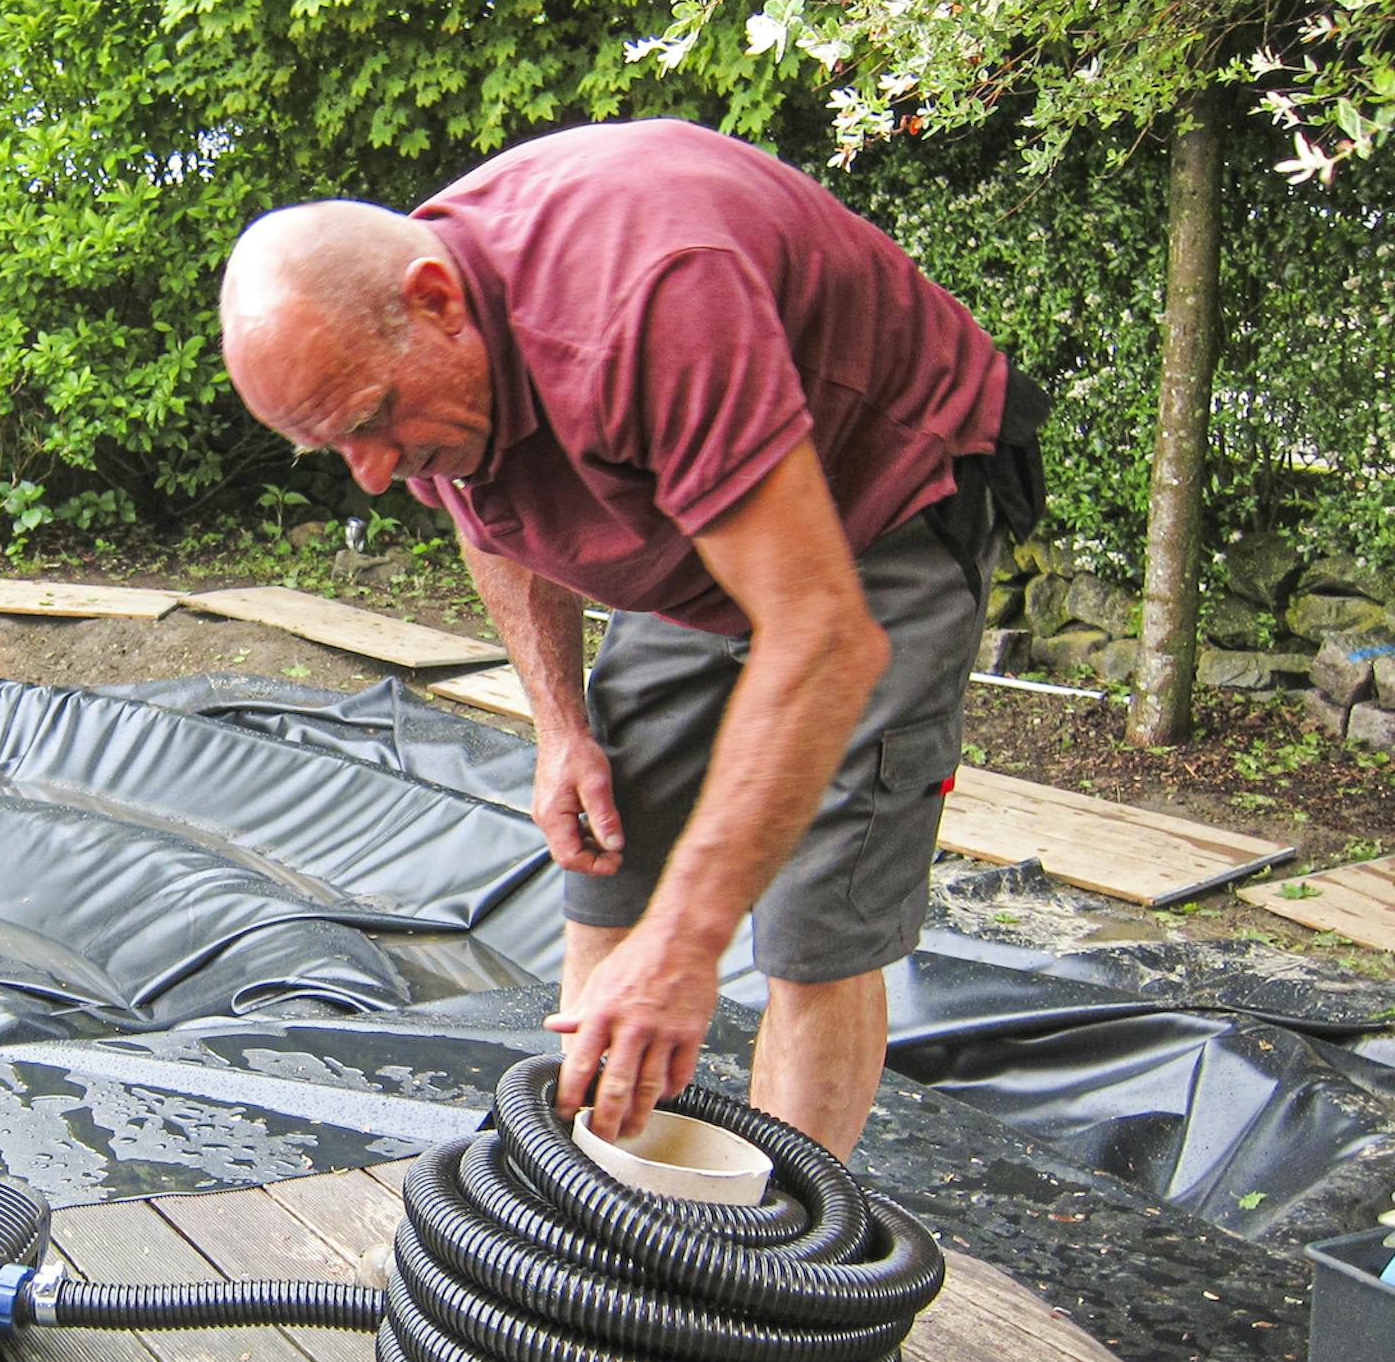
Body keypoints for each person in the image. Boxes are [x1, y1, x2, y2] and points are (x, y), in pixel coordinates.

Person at [220, 119, 1047, 1160]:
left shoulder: (645, 302)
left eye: (374, 422)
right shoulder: (417, 369)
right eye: (332, 446)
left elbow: (822, 637)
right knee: (607, 841)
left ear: (438, 303)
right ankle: (599, 1215)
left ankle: (778, 1268)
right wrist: (561, 726)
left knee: (814, 929)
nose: (375, 475)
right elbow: (489, 511)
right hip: (692, 498)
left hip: (881, 499)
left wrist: (689, 947)